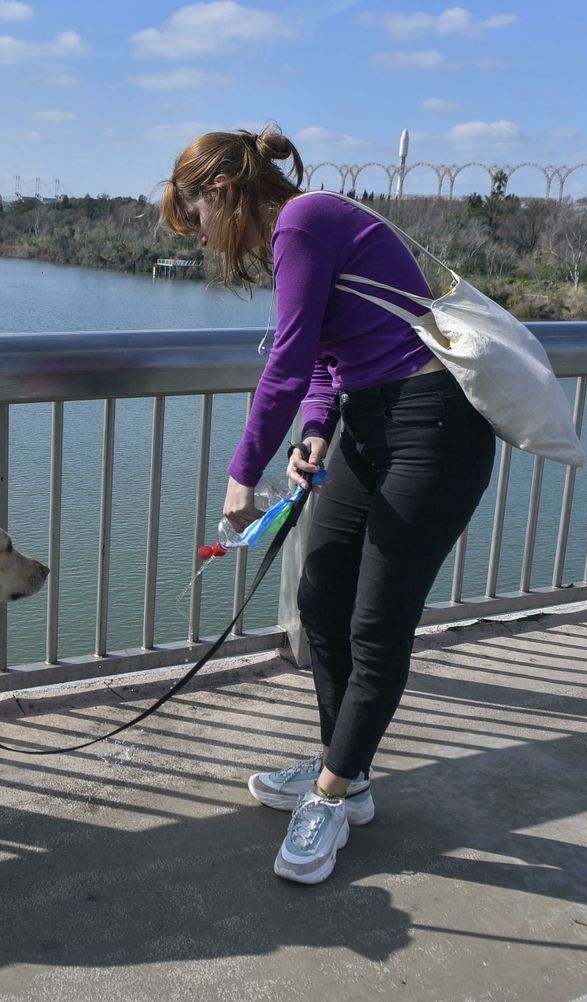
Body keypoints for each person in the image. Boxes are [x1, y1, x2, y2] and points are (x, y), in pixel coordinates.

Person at [159, 126, 495, 884]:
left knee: (376, 621)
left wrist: (242, 475)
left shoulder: (305, 220)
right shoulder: (298, 232)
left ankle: (332, 794)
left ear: (220, 191)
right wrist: (314, 432)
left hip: (434, 429)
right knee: (320, 594)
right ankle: (347, 772)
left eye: (196, 217)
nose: (203, 237)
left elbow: (284, 361)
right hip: (370, 427)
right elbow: (318, 361)